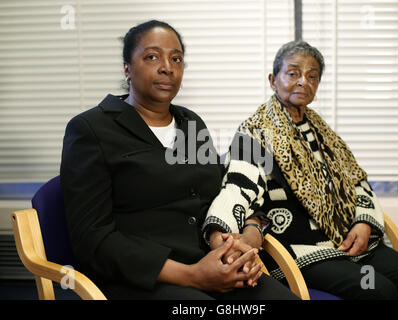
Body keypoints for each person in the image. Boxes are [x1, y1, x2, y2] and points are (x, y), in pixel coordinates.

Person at [60, 20, 298, 300]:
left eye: (176, 58)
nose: (167, 67)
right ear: (127, 67)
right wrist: (192, 276)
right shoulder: (91, 129)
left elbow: (216, 197)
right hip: (142, 279)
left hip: (210, 262)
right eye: (151, 56)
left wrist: (244, 234)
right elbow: (93, 240)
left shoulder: (191, 124)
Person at [202, 40, 398, 300]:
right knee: (377, 289)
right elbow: (237, 189)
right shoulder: (255, 133)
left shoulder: (323, 132)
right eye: (293, 73)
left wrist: (363, 222)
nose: (303, 81)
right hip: (300, 250)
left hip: (347, 240)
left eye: (312, 76)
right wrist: (221, 234)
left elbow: (357, 181)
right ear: (273, 79)